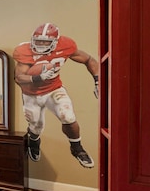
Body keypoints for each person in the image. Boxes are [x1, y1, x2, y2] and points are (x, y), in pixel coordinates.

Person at [13, 23, 99, 168]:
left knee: (68, 116)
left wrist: (97, 81)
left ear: (55, 42)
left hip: (54, 88)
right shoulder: (24, 50)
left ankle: (76, 147)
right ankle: (34, 141)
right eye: (38, 40)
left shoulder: (65, 45)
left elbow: (88, 59)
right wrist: (39, 77)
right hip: (31, 94)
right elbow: (19, 78)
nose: (40, 44)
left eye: (45, 42)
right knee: (36, 126)